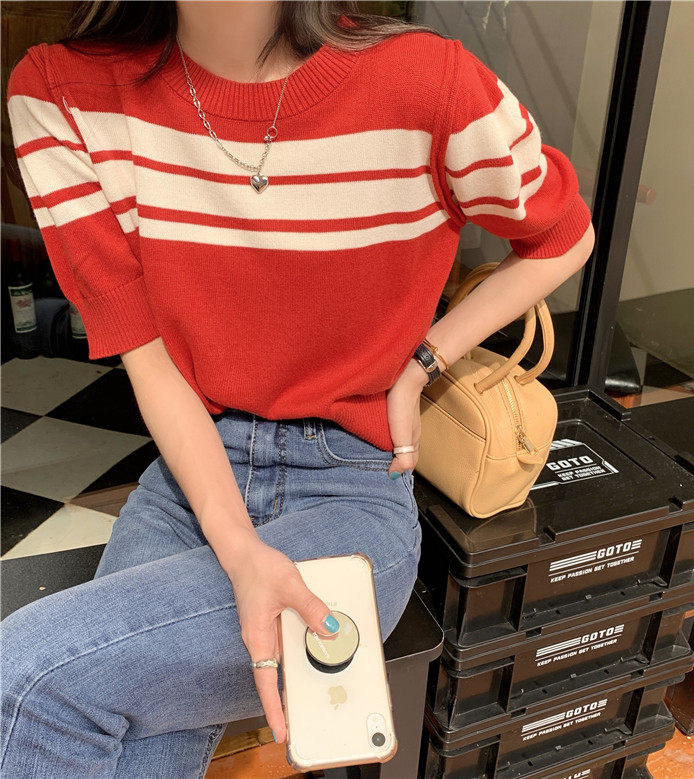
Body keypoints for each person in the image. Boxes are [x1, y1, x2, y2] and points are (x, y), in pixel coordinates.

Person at [1, 1, 595, 776]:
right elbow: (152, 364)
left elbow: (563, 234)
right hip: (192, 480)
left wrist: (423, 362)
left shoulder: (428, 82)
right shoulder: (64, 95)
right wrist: (240, 549)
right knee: (121, 726)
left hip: (350, 490)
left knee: (27, 678)